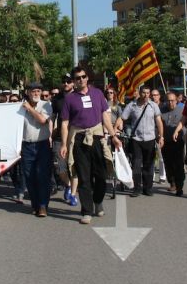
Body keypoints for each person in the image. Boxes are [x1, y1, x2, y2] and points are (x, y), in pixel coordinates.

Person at [60, 67, 122, 225]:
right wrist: (64, 144)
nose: (81, 80)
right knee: (83, 177)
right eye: (77, 78)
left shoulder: (97, 94)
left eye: (83, 76)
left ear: (87, 78)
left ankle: (98, 201)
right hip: (79, 139)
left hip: (96, 137)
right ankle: (86, 211)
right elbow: (65, 124)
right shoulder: (69, 99)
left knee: (101, 175)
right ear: (74, 81)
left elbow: (105, 117)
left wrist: (113, 136)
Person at [116, 85, 164, 197]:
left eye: (148, 93)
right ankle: (136, 188)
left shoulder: (153, 106)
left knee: (149, 164)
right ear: (140, 93)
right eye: (144, 93)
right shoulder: (132, 106)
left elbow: (159, 122)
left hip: (150, 139)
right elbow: (122, 118)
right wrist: (115, 132)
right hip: (136, 139)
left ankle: (147, 188)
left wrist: (161, 137)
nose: (146, 95)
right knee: (136, 164)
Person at [20, 82, 53, 217]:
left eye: (38, 91)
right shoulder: (20, 107)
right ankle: (35, 204)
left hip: (42, 145)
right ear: (28, 92)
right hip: (26, 145)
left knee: (42, 176)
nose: (36, 94)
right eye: (33, 91)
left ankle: (43, 205)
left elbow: (42, 120)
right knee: (29, 176)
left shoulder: (46, 105)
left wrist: (29, 109)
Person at [51, 73, 77, 206]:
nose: (66, 83)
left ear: (73, 83)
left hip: (75, 136)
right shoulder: (57, 99)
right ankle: (67, 185)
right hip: (60, 138)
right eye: (64, 81)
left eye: (69, 81)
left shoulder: (78, 96)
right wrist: (50, 135)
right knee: (59, 168)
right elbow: (53, 118)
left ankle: (73, 195)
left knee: (74, 167)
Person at [161, 92, 185, 196]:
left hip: (178, 141)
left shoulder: (182, 110)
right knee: (168, 163)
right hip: (166, 142)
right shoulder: (162, 111)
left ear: (176, 100)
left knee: (178, 164)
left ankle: (179, 186)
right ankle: (172, 182)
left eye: (172, 100)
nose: (170, 103)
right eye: (168, 101)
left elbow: (186, 123)